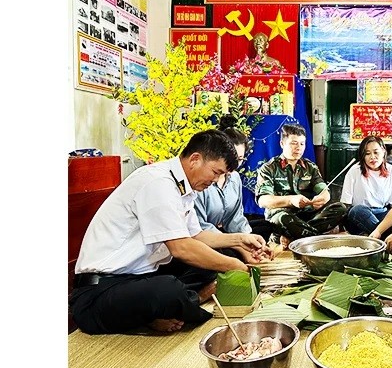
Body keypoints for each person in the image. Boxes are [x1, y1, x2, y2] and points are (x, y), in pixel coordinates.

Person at [70, 129, 273, 335]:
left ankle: (161, 311)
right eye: (216, 172)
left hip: (140, 277)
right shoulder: (157, 182)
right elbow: (182, 249)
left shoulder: (183, 187)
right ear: (195, 159)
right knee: (169, 290)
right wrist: (236, 267)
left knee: (221, 256)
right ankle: (192, 299)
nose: (215, 181)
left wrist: (239, 241)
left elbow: (197, 236)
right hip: (100, 291)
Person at [256, 124, 346, 247]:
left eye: (302, 144)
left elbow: (323, 189)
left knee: (339, 208)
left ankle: (293, 236)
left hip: (306, 216)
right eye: (294, 143)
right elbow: (263, 200)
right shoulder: (269, 168)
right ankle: (319, 241)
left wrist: (323, 197)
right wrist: (291, 200)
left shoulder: (310, 166)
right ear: (282, 143)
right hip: (282, 216)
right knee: (284, 219)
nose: (298, 148)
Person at [195, 115, 275, 244]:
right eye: (231, 158)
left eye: (240, 159)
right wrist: (235, 241)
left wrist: (248, 239)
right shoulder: (203, 180)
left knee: (266, 227)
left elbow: (235, 218)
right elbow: (199, 227)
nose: (235, 164)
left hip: (225, 233)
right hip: (205, 237)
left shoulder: (235, 177)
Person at [340, 136, 392, 236]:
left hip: (383, 215)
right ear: (362, 156)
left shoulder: (391, 170)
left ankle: (377, 236)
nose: (372, 157)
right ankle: (388, 238)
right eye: (367, 153)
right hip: (361, 216)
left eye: (376, 152)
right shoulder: (354, 171)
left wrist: (385, 223)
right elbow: (345, 204)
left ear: (383, 152)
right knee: (357, 210)